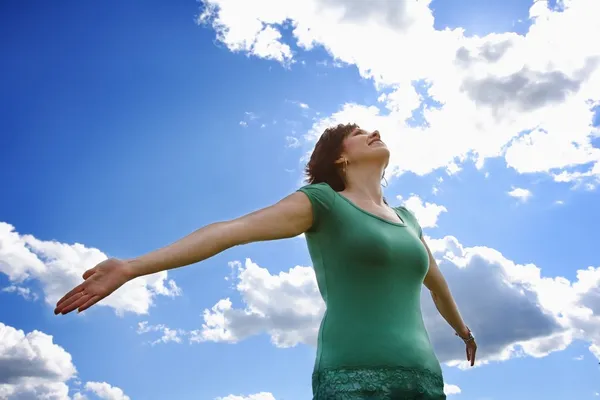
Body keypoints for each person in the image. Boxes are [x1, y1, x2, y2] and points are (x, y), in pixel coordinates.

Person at [54, 123, 477, 399]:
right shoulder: (323, 202)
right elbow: (231, 230)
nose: (375, 131)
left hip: (422, 376)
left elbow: (435, 281)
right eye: (359, 132)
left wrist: (462, 330)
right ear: (339, 158)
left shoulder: (407, 220)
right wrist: (132, 267)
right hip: (354, 374)